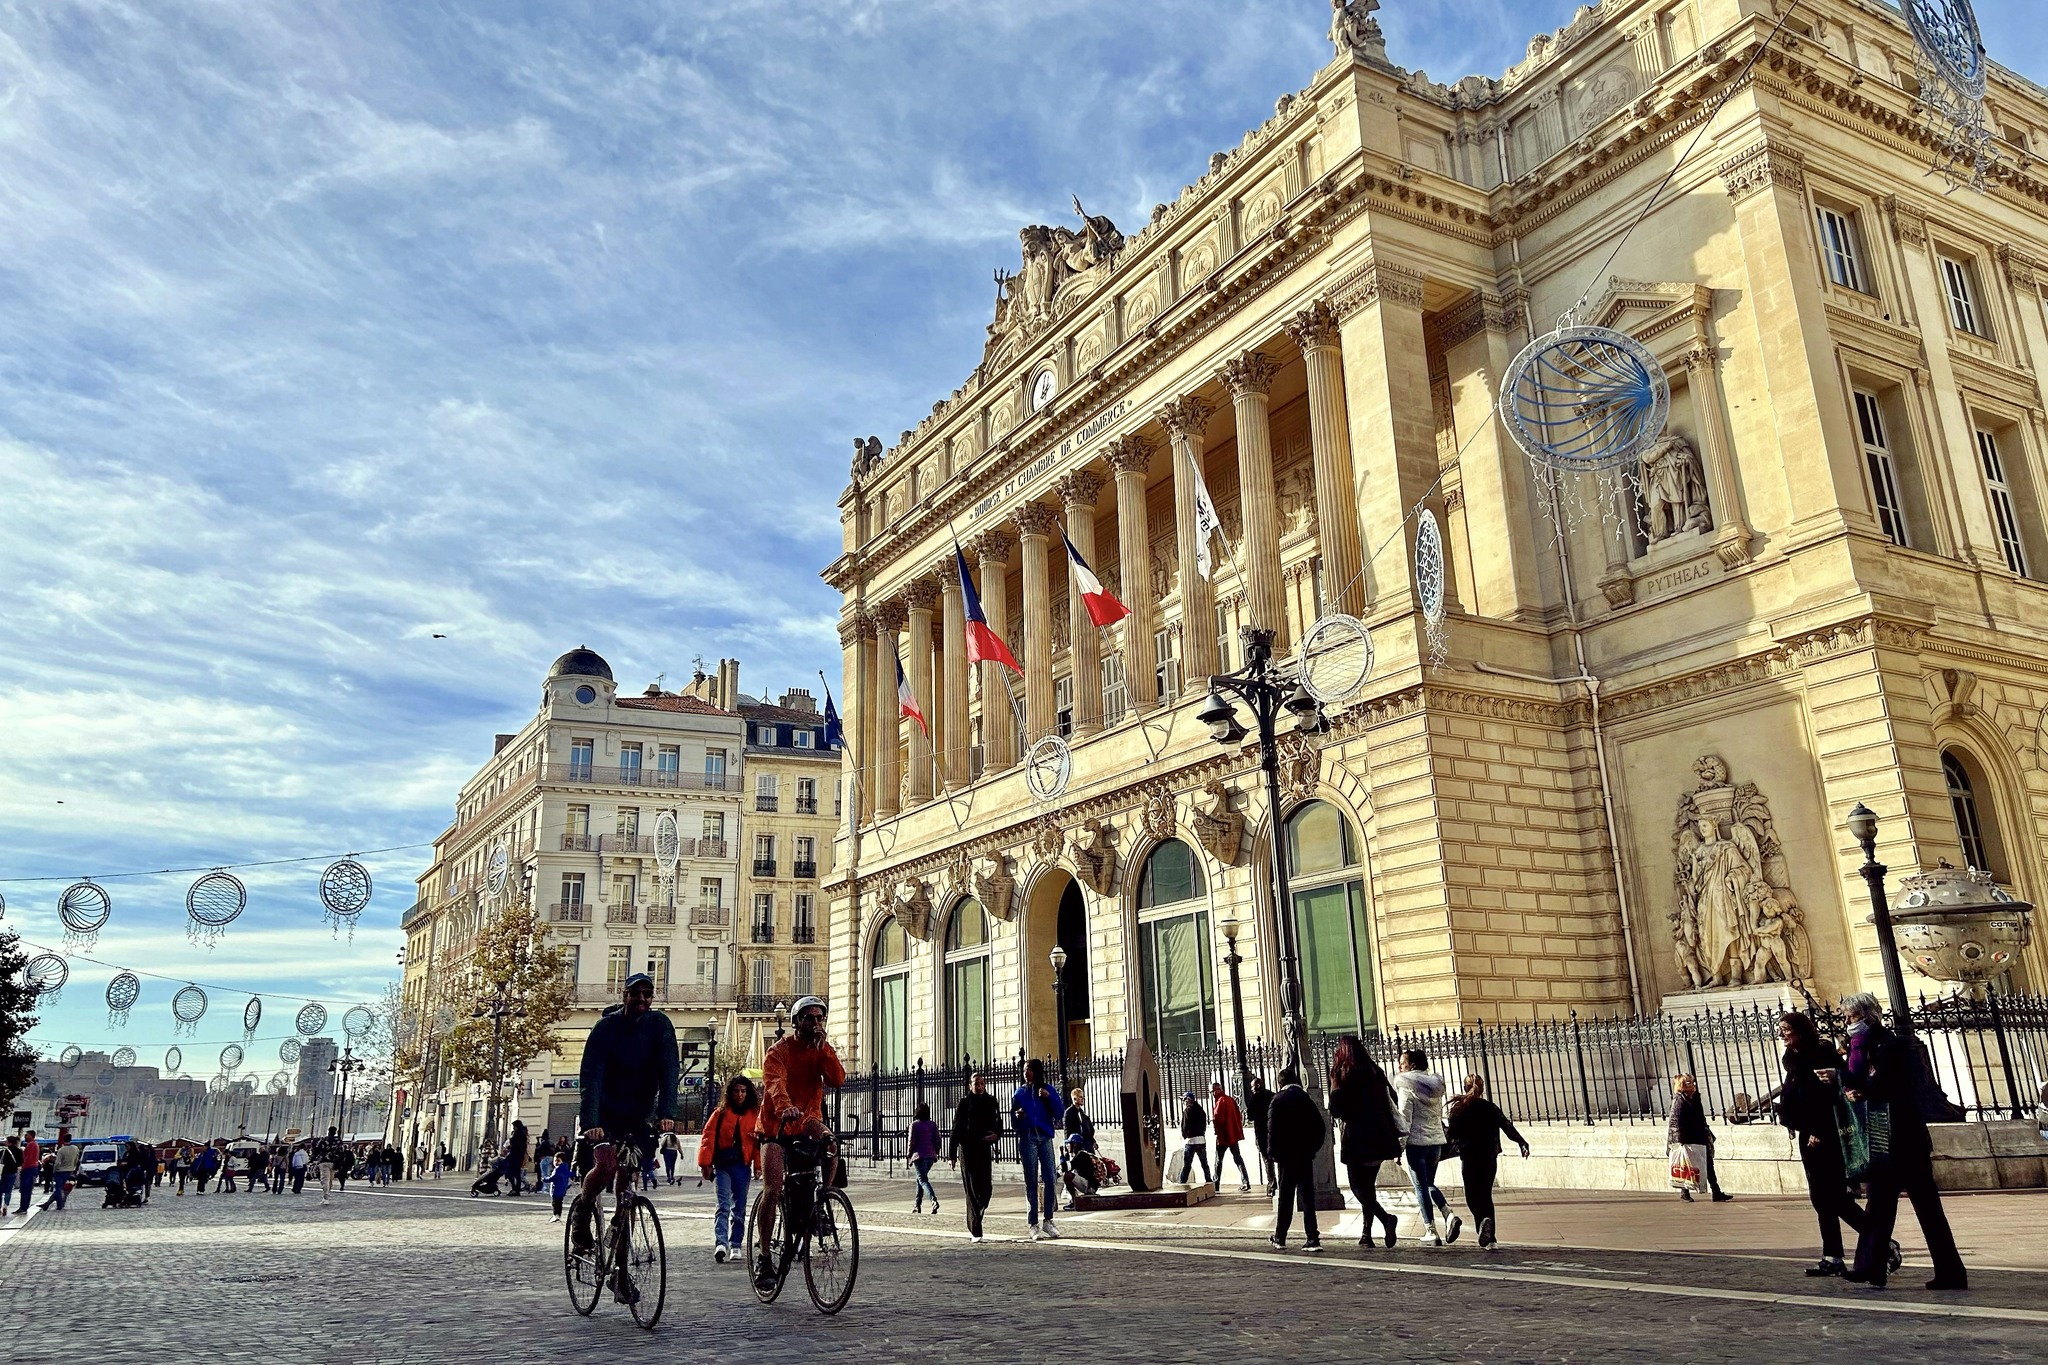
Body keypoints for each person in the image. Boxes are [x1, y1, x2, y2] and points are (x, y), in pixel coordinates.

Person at [1840, 993, 1968, 1291]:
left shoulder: (1894, 1046)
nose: (1848, 1023)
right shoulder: (1862, 1048)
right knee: (1879, 1205)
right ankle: (1870, 1268)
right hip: (1884, 1140)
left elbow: (1896, 1086)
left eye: (1852, 1017)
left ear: (1867, 1016)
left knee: (1927, 1207)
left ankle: (1951, 1272)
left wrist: (1862, 1087)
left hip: (1907, 1138)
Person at [572, 969, 681, 1305]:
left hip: (639, 1116)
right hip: (605, 1116)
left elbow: (669, 1070)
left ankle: (620, 1273)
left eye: (648, 994)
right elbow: (591, 1075)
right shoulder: (605, 1028)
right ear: (625, 995)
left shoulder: (660, 1026)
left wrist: (667, 1113)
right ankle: (582, 1213)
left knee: (627, 1194)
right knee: (604, 1167)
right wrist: (591, 1121)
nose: (643, 1000)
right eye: (636, 994)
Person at [1778, 1010, 1886, 1278]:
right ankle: (1832, 1256)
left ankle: (1882, 1242)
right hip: (1807, 1133)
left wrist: (1818, 1128)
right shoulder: (1791, 1059)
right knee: (1820, 1198)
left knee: (1834, 1197)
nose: (1782, 1034)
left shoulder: (1821, 1055)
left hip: (1826, 1134)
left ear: (1801, 1031)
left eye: (1786, 1029)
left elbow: (1831, 1098)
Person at [753, 995, 845, 1291]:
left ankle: (824, 1199)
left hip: (807, 1121)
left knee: (831, 1143)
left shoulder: (821, 1050)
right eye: (810, 1018)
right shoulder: (778, 1051)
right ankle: (764, 1256)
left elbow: (838, 1080)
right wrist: (785, 1107)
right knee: (773, 1188)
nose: (816, 1023)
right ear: (796, 1022)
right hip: (776, 1125)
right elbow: (775, 1083)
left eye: (820, 1018)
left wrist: (826, 1050)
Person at [1327, 1034, 1403, 1248]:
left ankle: (1386, 1218)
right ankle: (1366, 1234)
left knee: (1358, 1188)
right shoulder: (1375, 1071)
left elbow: (1336, 1108)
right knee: (1368, 1187)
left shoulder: (1342, 1072)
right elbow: (1393, 1100)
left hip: (1357, 1137)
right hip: (1380, 1137)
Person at [1443, 1074, 1529, 1250]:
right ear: (1482, 1089)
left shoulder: (1459, 1109)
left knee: (1472, 1197)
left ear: (1465, 1087)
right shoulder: (1490, 1107)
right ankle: (1491, 1238)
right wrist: (1521, 1142)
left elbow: (1451, 1134)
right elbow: (1507, 1126)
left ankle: (1483, 1225)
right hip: (1489, 1157)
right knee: (1486, 1195)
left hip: (1469, 1157)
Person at [1395, 1049, 1462, 1245]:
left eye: (1403, 1063)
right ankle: (1449, 1216)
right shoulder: (1434, 1087)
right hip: (1436, 1143)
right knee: (1428, 1184)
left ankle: (1431, 1230)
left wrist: (1399, 1148)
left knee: (1420, 1187)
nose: (1400, 1067)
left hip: (1416, 1144)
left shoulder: (1406, 1087)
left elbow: (1404, 1120)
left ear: (1412, 1065)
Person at [698, 1075, 762, 1263]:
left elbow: (758, 1142)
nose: (739, 1094)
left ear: (748, 1093)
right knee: (723, 1205)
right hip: (723, 1164)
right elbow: (708, 1138)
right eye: (736, 1091)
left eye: (743, 1091)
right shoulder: (720, 1113)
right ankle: (721, 1243)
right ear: (730, 1093)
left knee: (739, 1207)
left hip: (743, 1165)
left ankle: (736, 1244)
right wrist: (705, 1164)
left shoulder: (754, 1114)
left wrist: (758, 1166)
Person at [1265, 1068, 1325, 1253]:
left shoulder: (1277, 1100)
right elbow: (1320, 1128)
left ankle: (1280, 1236)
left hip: (1286, 1156)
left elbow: (1272, 1130)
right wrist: (1312, 1149)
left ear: (1280, 1083)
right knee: (1307, 1197)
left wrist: (1273, 1153)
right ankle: (1312, 1237)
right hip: (1304, 1155)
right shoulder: (1306, 1099)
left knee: (1286, 1197)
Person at [1011, 1058, 1065, 1241]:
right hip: (1028, 1138)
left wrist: (1049, 1099)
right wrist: (1019, 1117)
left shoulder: (1047, 1090)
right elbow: (1013, 1122)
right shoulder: (1019, 1093)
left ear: (1037, 1072)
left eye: (1030, 1070)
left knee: (1050, 1177)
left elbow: (1059, 1113)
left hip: (1044, 1138)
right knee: (1031, 1180)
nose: (1027, 1074)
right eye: (1025, 1070)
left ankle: (1048, 1220)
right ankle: (1032, 1223)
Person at [949, 1071, 1002, 1243]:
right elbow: (956, 1127)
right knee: (971, 1189)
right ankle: (975, 1230)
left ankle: (979, 1212)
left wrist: (996, 1135)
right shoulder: (964, 1103)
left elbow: (998, 1123)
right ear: (970, 1085)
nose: (979, 1086)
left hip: (984, 1148)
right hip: (968, 1148)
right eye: (976, 1083)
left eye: (981, 1083)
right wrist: (952, 1155)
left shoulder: (991, 1101)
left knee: (986, 1189)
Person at [1668, 1074, 1731, 1203]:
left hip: (1699, 1136)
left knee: (1708, 1164)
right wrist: (1680, 1141)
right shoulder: (1679, 1100)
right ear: (1683, 1086)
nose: (1694, 1085)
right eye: (1690, 1083)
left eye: (1693, 1082)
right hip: (1687, 1138)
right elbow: (1675, 1121)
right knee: (1686, 1165)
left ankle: (1716, 1191)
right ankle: (1684, 1193)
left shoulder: (1695, 1098)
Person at [1210, 1080, 1252, 1193]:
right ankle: (1246, 1181)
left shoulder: (1220, 1101)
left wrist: (1217, 1131)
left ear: (1218, 1090)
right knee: (1238, 1158)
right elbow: (1238, 1115)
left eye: (1213, 1091)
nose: (1212, 1093)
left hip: (1223, 1135)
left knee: (1218, 1160)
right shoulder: (1230, 1099)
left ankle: (1216, 1184)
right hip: (1232, 1134)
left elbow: (1218, 1118)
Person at [908, 1102, 941, 1215]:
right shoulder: (932, 1124)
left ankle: (933, 1200)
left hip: (919, 1156)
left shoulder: (915, 1125)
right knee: (920, 1179)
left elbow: (911, 1142)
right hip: (930, 1156)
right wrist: (936, 1152)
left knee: (922, 1180)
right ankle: (917, 1205)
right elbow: (937, 1139)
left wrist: (909, 1155)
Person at [1173, 1090, 1212, 1185]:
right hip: (1201, 1140)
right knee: (1204, 1163)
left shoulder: (1187, 1111)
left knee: (1187, 1164)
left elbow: (1185, 1126)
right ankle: (1209, 1180)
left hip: (1190, 1141)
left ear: (1189, 1100)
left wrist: (1185, 1135)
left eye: (1184, 1100)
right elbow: (1204, 1125)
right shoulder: (1201, 1110)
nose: (1183, 1102)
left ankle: (1182, 1182)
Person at [1246, 1074, 1275, 1192]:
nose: (1251, 1089)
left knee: (1267, 1158)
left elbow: (1250, 1116)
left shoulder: (1255, 1098)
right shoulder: (1272, 1095)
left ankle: (1272, 1183)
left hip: (1261, 1132)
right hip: (1274, 1130)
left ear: (1257, 1085)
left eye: (1252, 1087)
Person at [1061, 1133, 1101, 1200]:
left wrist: (1062, 1156)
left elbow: (1066, 1168)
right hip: (1087, 1184)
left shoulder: (1081, 1155)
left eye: (1069, 1143)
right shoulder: (1078, 1155)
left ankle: (1074, 1201)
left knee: (1067, 1176)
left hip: (1089, 1186)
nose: (1067, 1146)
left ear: (1075, 1144)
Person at [46, 1137, 81, 1211]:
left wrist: (54, 1170)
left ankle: (59, 1204)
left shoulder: (61, 1150)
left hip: (60, 1171)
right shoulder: (75, 1149)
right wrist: (73, 1167)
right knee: (66, 1189)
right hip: (70, 1170)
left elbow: (57, 1162)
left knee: (59, 1188)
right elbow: (77, 1159)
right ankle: (49, 1203)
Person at [550, 1138, 577, 1222]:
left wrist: (545, 1179)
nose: (555, 1162)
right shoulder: (565, 1168)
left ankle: (556, 1215)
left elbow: (553, 1178)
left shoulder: (557, 1170)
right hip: (563, 1189)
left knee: (555, 1203)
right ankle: (558, 1214)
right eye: (555, 1160)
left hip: (556, 1189)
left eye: (557, 1160)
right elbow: (570, 1174)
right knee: (559, 1203)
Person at [504, 1120, 530, 1197]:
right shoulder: (523, 1134)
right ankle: (516, 1189)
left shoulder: (518, 1134)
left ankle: (515, 1189)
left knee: (509, 1172)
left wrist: (511, 1143)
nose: (513, 1128)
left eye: (514, 1126)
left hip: (515, 1156)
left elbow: (515, 1145)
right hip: (519, 1156)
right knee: (517, 1174)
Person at [13, 1134, 35, 1216]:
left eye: (27, 1135)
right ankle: (24, 1207)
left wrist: (23, 1167)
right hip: (31, 1168)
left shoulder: (30, 1145)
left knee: (25, 1189)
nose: (25, 1137)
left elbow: (27, 1158)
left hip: (28, 1169)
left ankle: (23, 1207)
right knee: (27, 1190)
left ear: (32, 1136)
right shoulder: (33, 1144)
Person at [0, 1136, 20, 1216]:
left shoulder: (3, 1151)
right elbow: (20, 1162)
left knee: (0, 1191)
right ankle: (5, 1205)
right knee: (8, 1191)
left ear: (9, 1142)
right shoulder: (19, 1151)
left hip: (2, 1172)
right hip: (12, 1172)